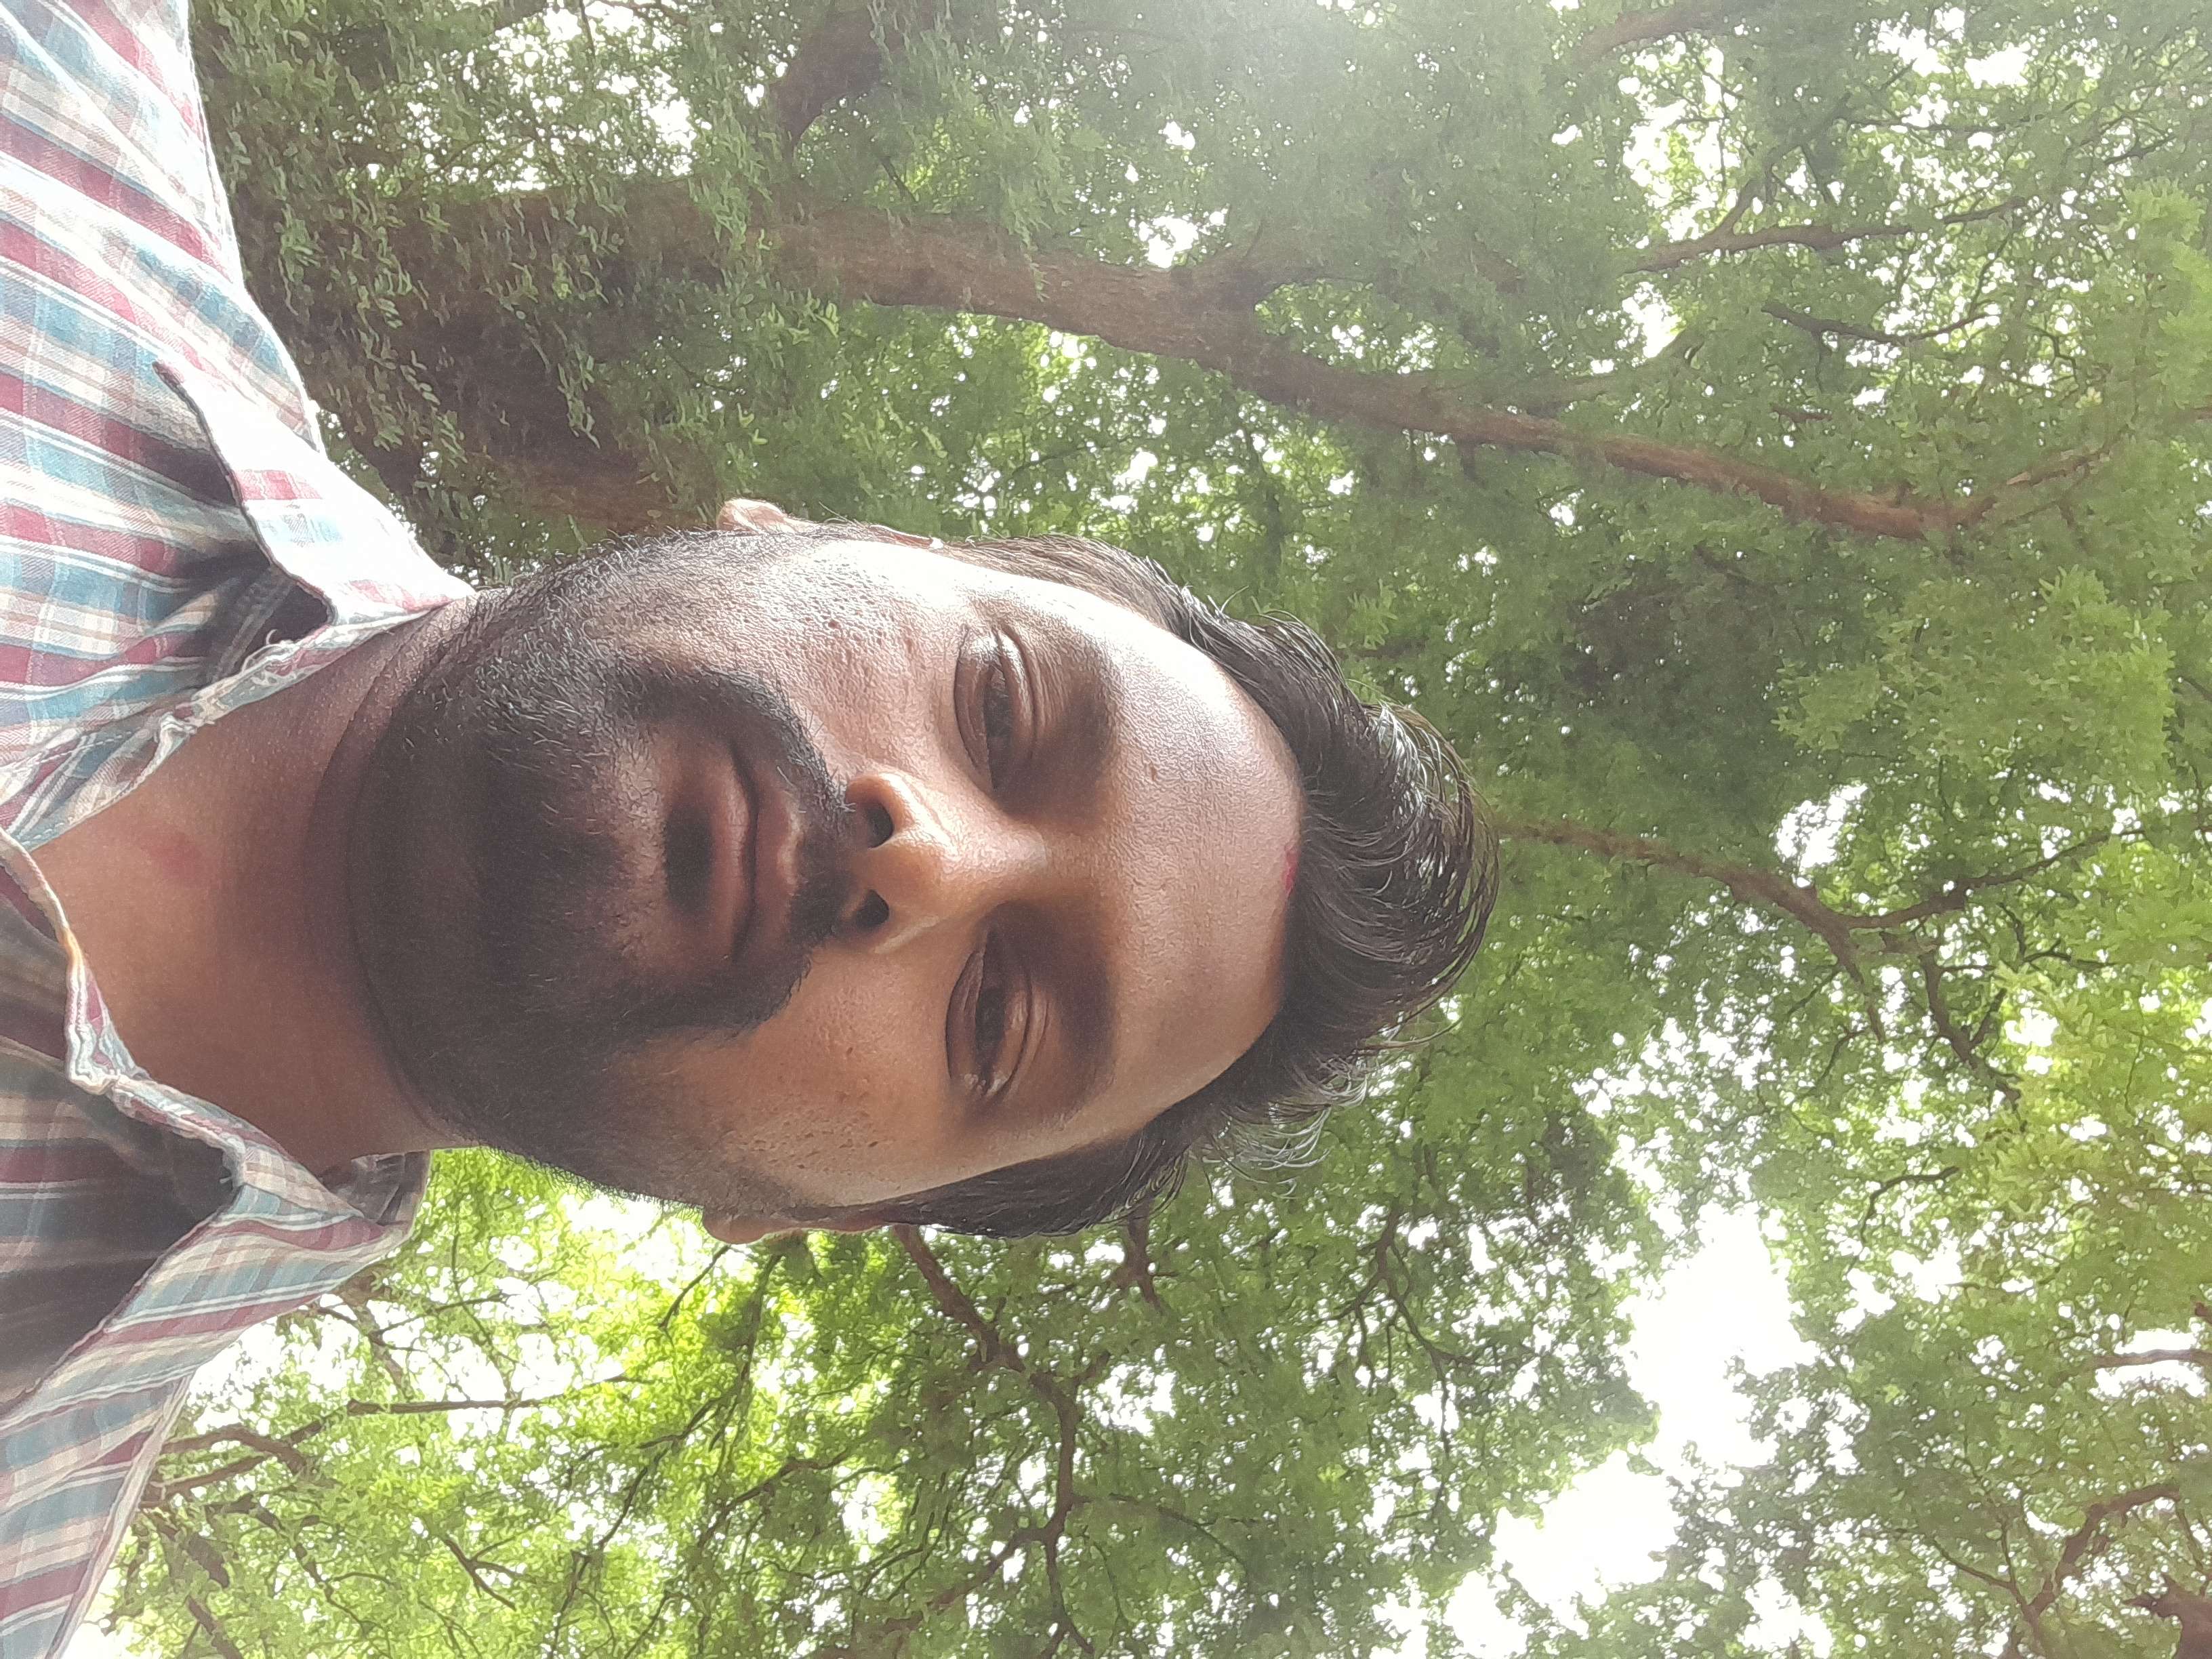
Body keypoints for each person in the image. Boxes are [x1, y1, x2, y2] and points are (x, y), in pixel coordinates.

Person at [0, 1, 1493, 1652]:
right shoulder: (57, 86)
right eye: (998, 704)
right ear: (812, 529)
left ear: (823, 1212)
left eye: (995, 1018)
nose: (927, 857)